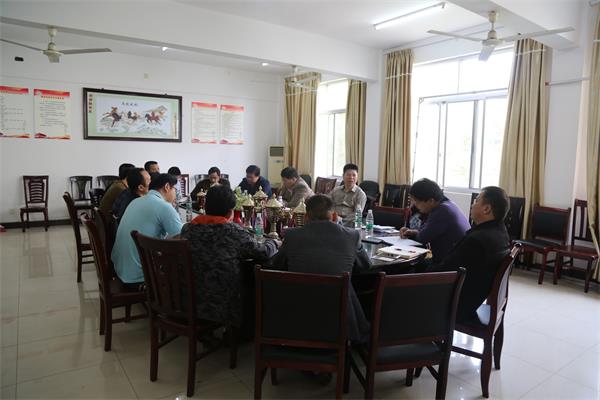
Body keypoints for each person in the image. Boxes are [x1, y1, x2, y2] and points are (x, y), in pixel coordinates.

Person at [271, 194, 371, 343]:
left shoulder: (291, 235)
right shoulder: (352, 236)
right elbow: (365, 266)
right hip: (338, 320)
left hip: (295, 317)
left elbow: (276, 264)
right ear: (334, 216)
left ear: (306, 217)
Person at [180, 185, 278, 326]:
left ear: (206, 206)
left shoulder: (188, 229)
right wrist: (273, 242)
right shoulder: (232, 231)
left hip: (190, 298)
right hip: (223, 303)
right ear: (230, 212)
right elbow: (263, 252)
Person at [427, 186, 511, 324]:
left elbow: (446, 270)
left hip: (456, 304)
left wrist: (421, 269)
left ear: (486, 209)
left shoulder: (477, 240)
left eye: (476, 201)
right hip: (474, 298)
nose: (472, 204)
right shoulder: (500, 232)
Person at [111, 173, 183, 288]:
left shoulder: (135, 201)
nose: (176, 193)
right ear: (167, 187)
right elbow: (181, 240)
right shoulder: (164, 206)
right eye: (175, 189)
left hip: (120, 270)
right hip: (141, 278)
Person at [400, 178, 471, 263]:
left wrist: (413, 234)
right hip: (454, 260)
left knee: (408, 267)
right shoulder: (448, 204)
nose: (415, 205)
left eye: (417, 201)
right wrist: (412, 232)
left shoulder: (442, 211)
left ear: (431, 200)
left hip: (449, 265)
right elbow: (425, 230)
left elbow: (422, 238)